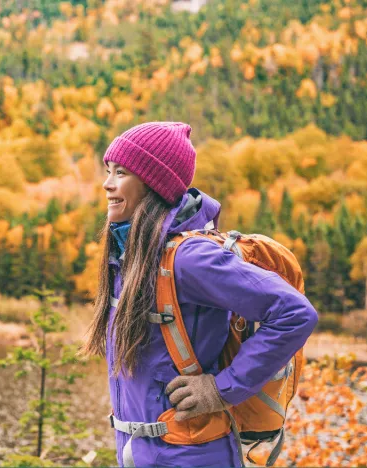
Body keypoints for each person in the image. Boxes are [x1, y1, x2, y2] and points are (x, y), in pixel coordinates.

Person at [81, 122, 318, 467]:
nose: (108, 183)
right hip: (143, 453)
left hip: (191, 456)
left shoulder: (189, 259)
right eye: (108, 171)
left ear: (153, 185)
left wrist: (222, 389)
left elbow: (295, 314)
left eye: (121, 173)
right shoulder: (131, 255)